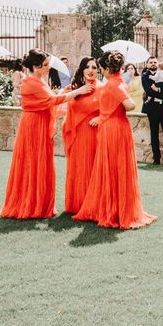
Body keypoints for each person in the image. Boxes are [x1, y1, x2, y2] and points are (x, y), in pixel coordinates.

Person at [0, 49, 93, 219]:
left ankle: (38, 203)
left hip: (38, 124)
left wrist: (66, 91)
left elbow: (49, 98)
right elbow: (51, 101)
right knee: (33, 162)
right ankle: (30, 204)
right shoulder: (32, 82)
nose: (49, 67)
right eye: (45, 65)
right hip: (34, 126)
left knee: (39, 161)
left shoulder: (38, 79)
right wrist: (77, 92)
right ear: (35, 67)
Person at [73, 51, 156, 229]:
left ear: (107, 68)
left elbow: (130, 105)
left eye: (100, 68)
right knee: (115, 167)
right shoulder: (118, 81)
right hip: (116, 127)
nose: (100, 72)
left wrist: (104, 116)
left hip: (114, 129)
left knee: (112, 167)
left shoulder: (113, 84)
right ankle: (116, 207)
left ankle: (114, 210)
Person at [62, 57, 103, 213]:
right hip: (77, 134)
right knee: (78, 167)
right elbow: (59, 102)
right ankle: (77, 204)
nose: (91, 70)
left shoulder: (102, 88)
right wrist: (77, 91)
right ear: (82, 69)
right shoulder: (75, 87)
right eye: (87, 67)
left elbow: (112, 108)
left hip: (94, 134)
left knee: (92, 167)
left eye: (94, 67)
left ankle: (93, 204)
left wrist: (100, 118)